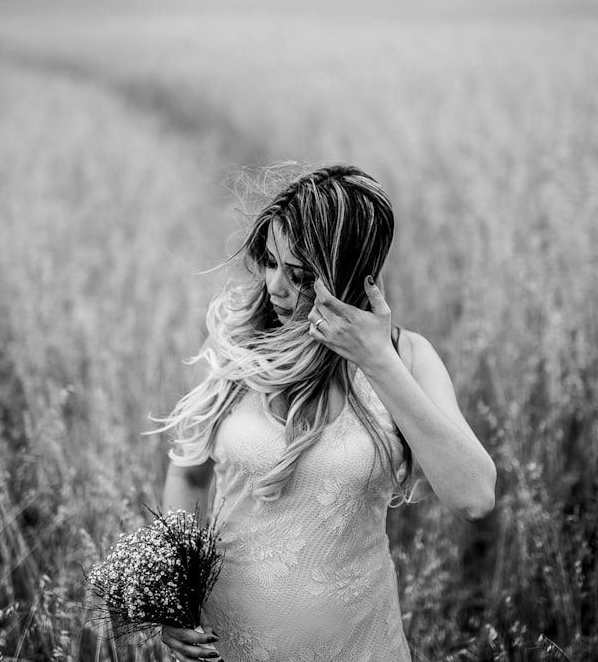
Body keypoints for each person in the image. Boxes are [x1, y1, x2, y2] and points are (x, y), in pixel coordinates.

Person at [155, 164, 496, 661]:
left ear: (353, 275)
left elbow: (474, 496)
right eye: (268, 262)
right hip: (227, 647)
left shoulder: (408, 359)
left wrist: (377, 361)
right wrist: (176, 598)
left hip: (358, 646)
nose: (275, 287)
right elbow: (187, 477)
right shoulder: (239, 345)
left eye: (300, 276)